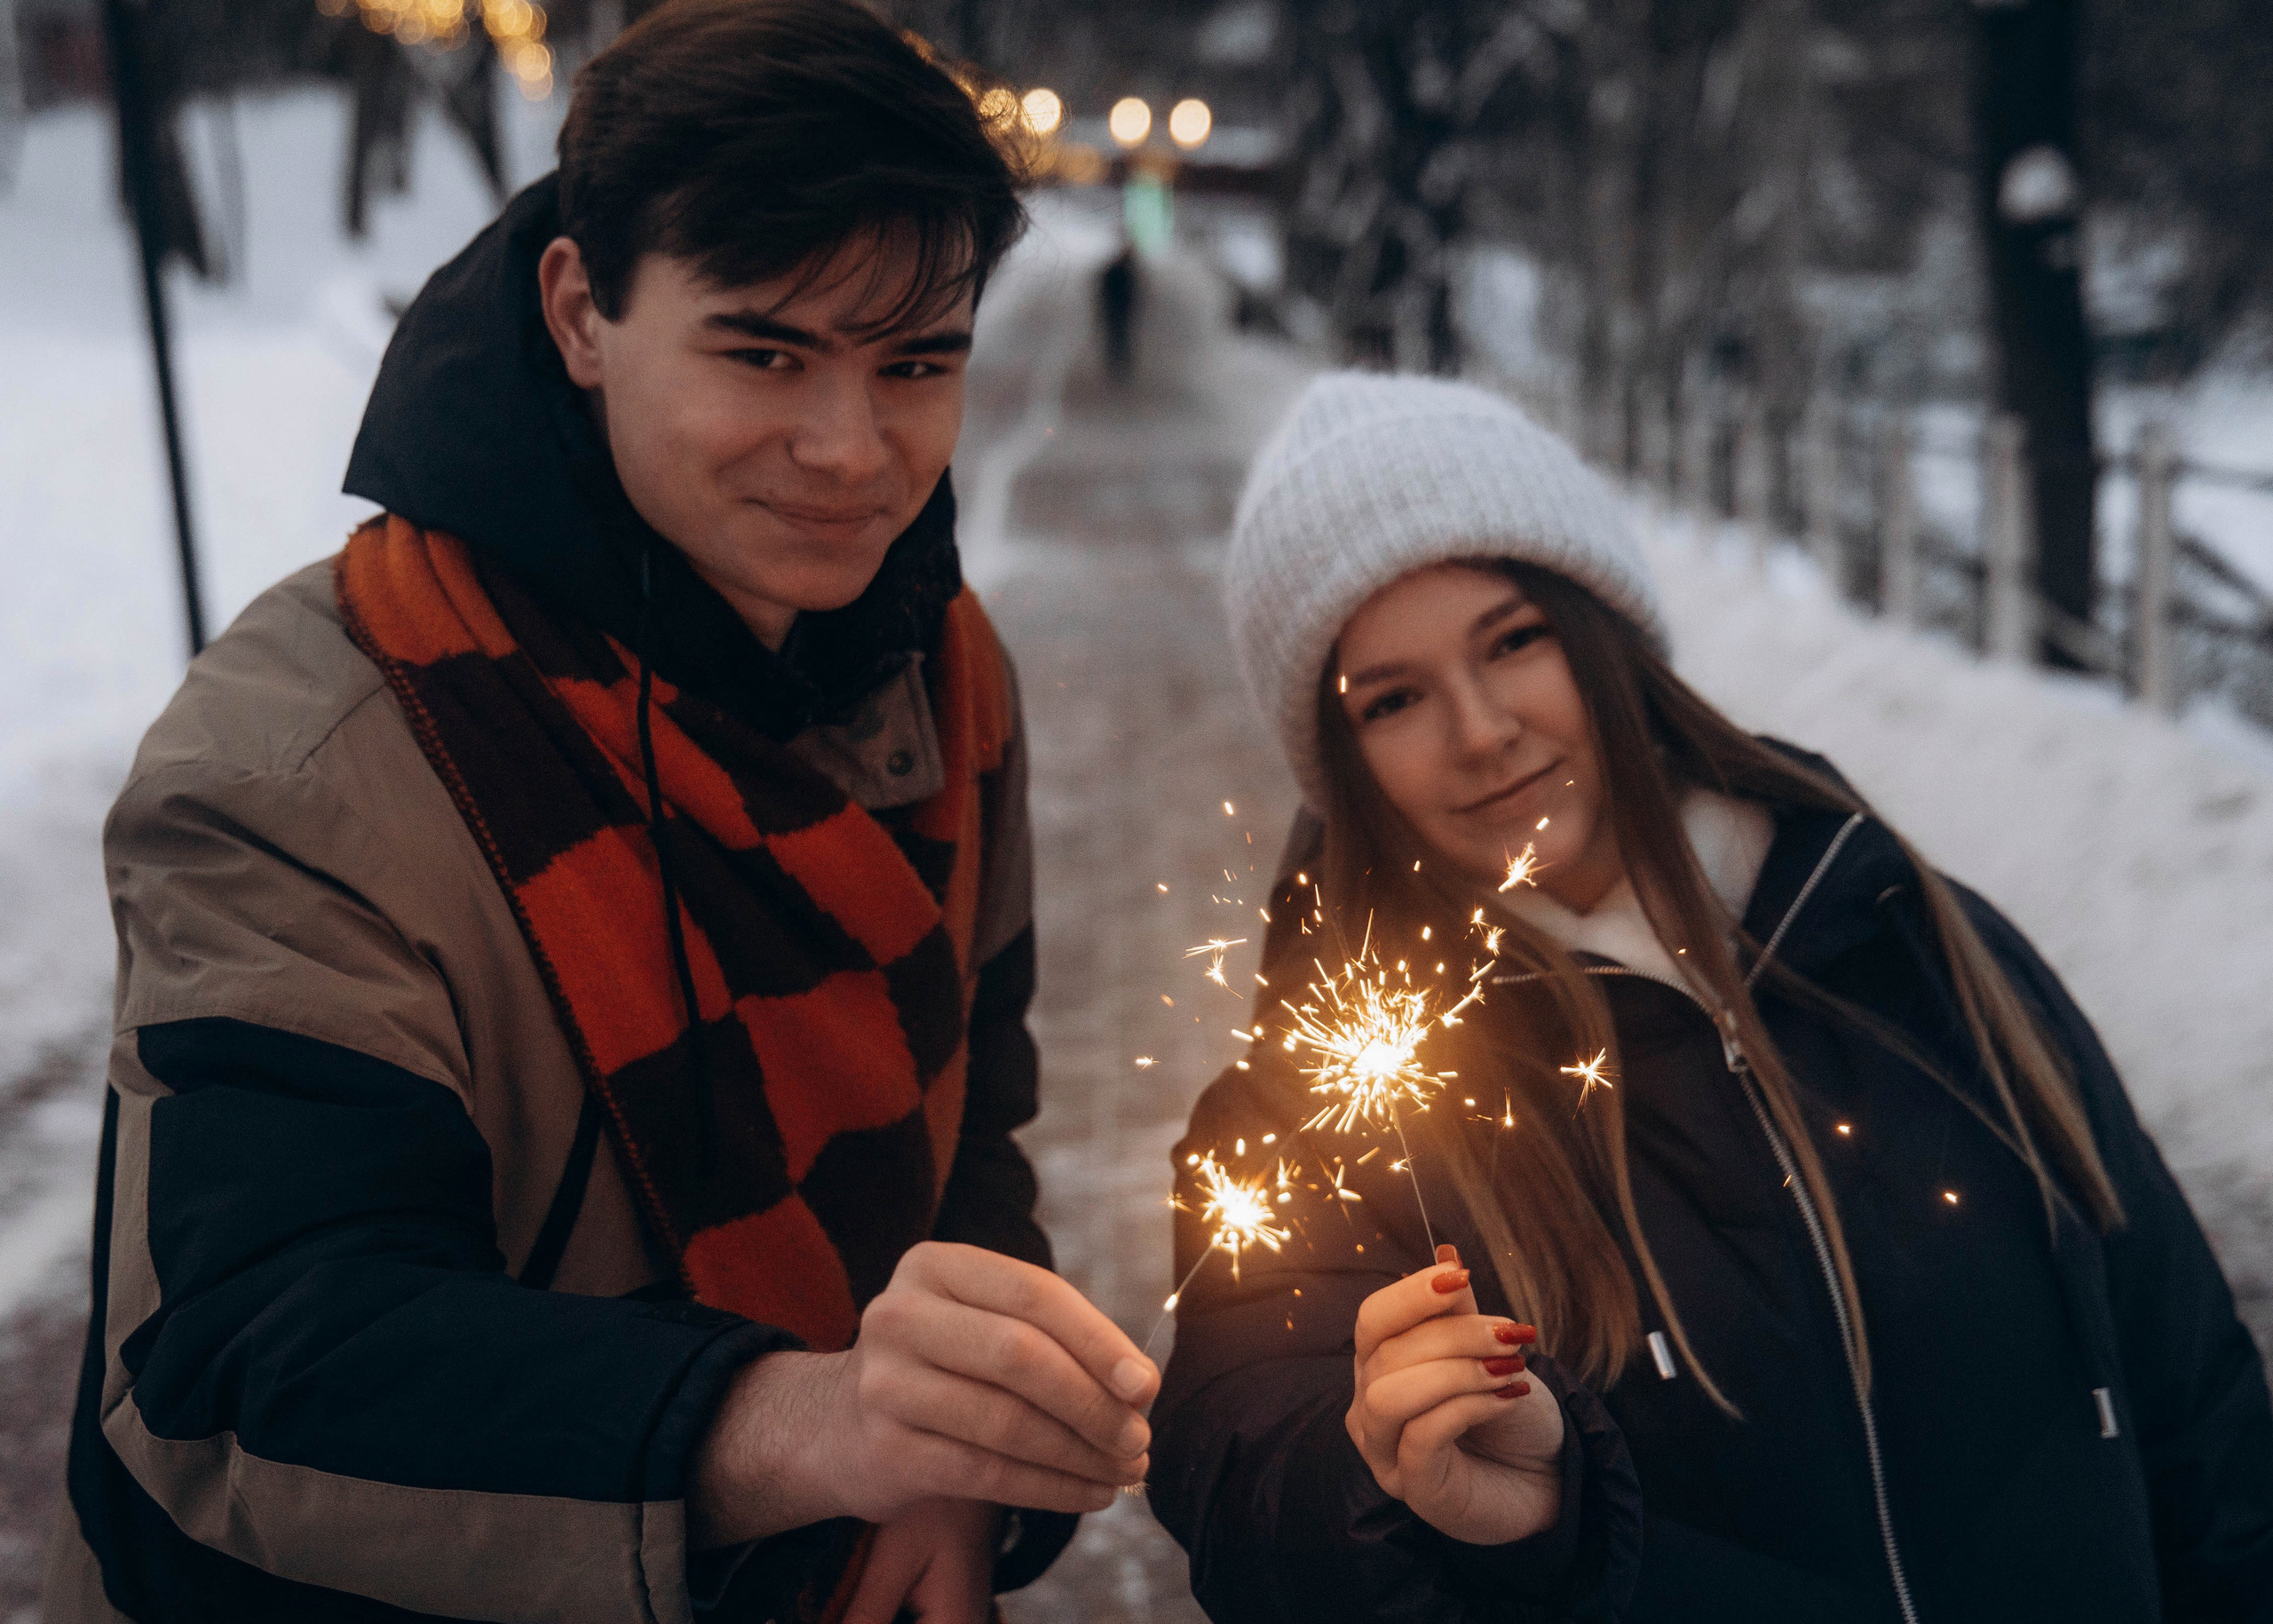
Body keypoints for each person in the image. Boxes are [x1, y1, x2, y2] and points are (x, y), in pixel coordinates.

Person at [44, 4, 1160, 1621]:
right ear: (582, 310)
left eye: (917, 362)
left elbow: (973, 1111)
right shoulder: (307, 755)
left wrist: (952, 1452)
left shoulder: (944, 672)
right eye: (764, 353)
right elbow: (253, 1363)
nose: (850, 450)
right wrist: (805, 1427)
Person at [1146, 372, 2273, 1621]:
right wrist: (1425, 1494)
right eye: (1393, 699)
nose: (1481, 730)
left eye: (1516, 640)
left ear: (1606, 630)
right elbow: (1245, 1480)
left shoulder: (1911, 939)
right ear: (1342, 760)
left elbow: (2196, 1402)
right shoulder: (1315, 1112)